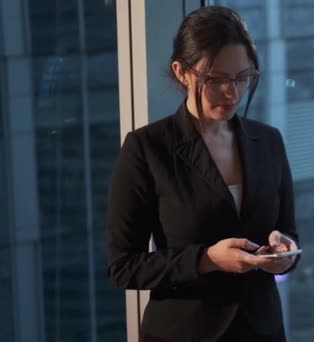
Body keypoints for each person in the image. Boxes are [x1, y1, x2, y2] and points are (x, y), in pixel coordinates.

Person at [105, 6, 299, 342]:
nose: (232, 92)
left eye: (243, 77)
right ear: (181, 72)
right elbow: (123, 267)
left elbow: (289, 234)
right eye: (216, 79)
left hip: (262, 329)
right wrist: (206, 260)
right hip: (183, 332)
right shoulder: (148, 148)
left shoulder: (268, 141)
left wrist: (284, 255)